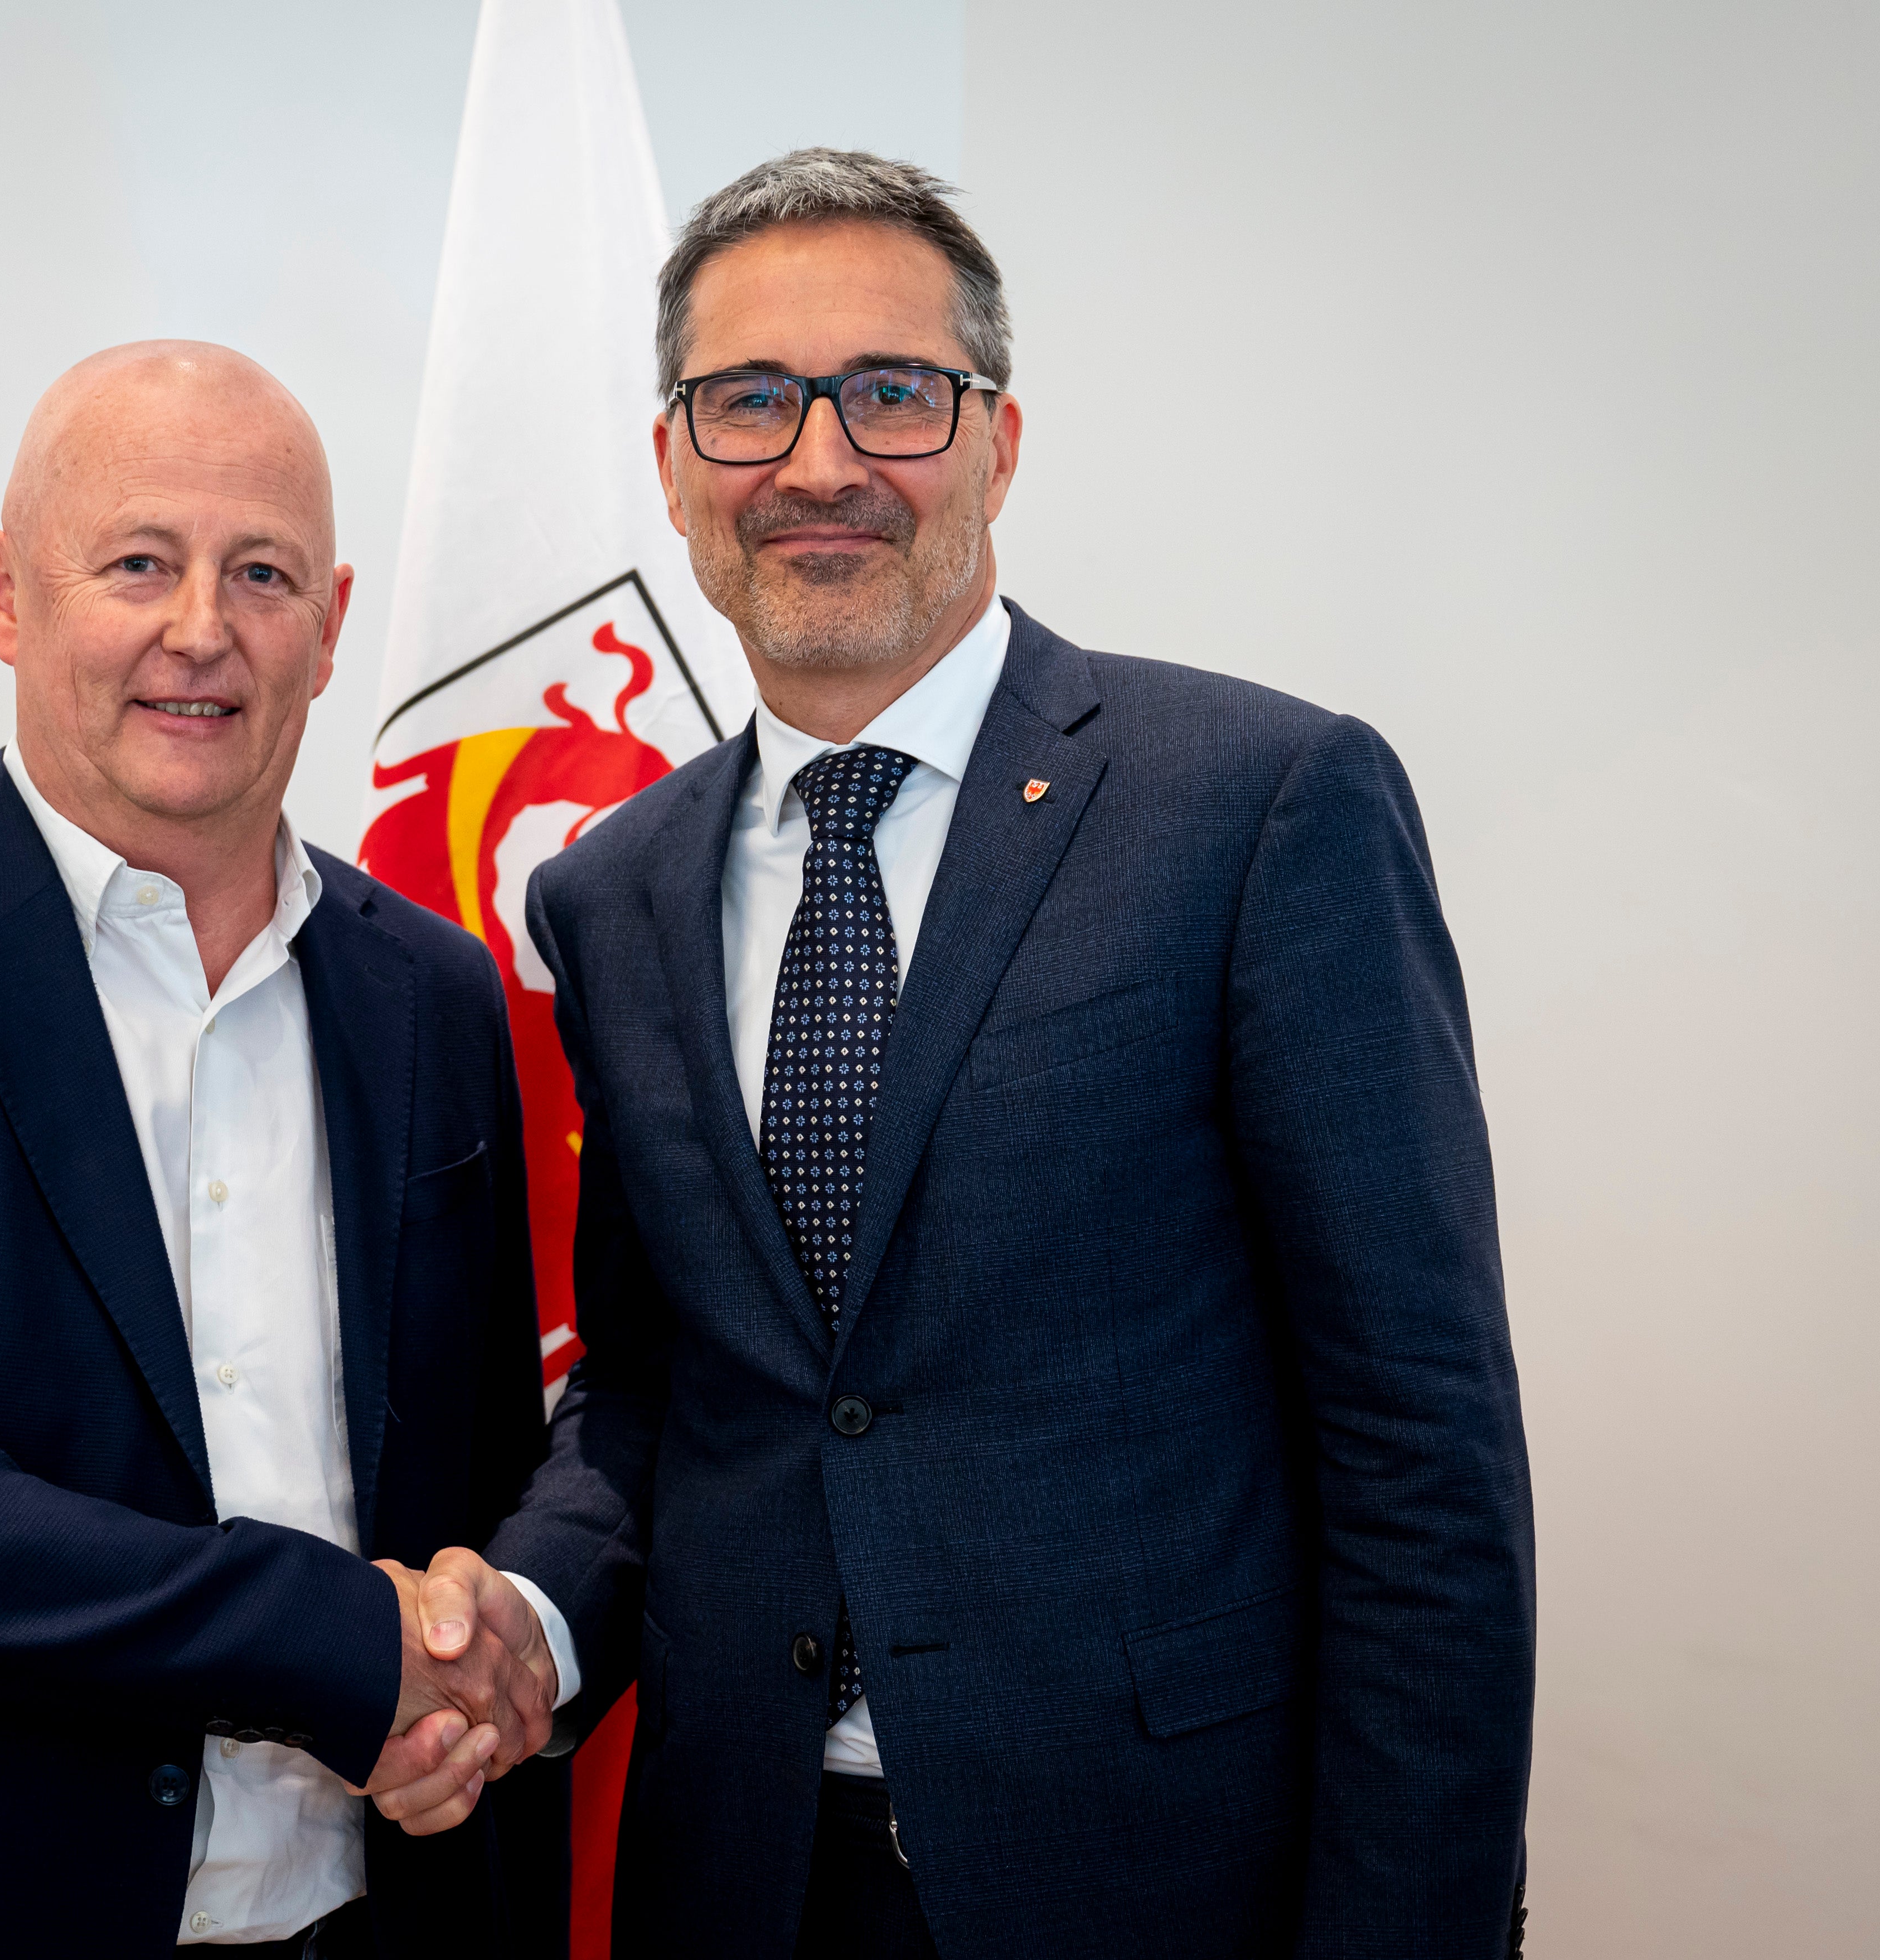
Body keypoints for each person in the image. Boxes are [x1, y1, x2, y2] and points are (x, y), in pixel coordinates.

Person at [394, 150, 1535, 1957]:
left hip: (1155, 1871)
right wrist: (529, 1618)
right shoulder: (609, 893)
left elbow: (1420, 1447)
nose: (823, 462)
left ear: (998, 444)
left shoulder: (1255, 805)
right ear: (678, 467)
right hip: (744, 1870)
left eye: (894, 394)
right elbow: (657, 1385)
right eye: (753, 401)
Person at [0, 342, 570, 1958]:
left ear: (336, 622)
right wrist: (331, 1641)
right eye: (139, 562)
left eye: (263, 572)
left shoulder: (434, 992)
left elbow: (487, 1461)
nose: (201, 629)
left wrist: (473, 1672)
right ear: (6, 594)